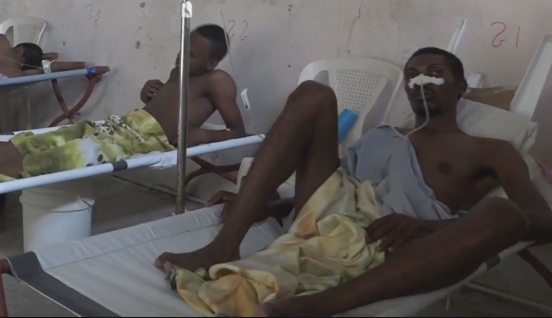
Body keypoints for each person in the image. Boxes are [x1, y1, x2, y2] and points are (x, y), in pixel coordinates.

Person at [154, 48, 552, 317]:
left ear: (460, 86)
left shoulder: (490, 150)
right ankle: (223, 245)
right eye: (413, 74)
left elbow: (541, 221)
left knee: (502, 214)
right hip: (329, 215)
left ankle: (318, 306)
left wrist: (430, 228)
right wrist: (265, 204)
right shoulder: (385, 134)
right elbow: (340, 189)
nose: (422, 81)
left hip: (396, 242)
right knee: (314, 94)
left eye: (435, 73)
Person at [0, 24, 245, 190]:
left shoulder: (218, 82)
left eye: (192, 55)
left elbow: (237, 131)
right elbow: (163, 106)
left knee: (65, 156)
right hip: (125, 125)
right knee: (37, 140)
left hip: (144, 142)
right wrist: (148, 94)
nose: (182, 57)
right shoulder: (178, 72)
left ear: (211, 63)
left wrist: (201, 136)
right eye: (183, 48)